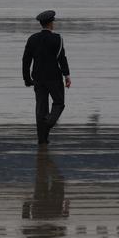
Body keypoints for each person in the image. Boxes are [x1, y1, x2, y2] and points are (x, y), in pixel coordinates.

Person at [22, 10, 71, 145]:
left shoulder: (32, 39)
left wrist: (26, 79)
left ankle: (42, 140)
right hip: (54, 77)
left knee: (41, 108)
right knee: (59, 103)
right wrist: (67, 75)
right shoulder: (57, 39)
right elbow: (62, 58)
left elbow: (26, 60)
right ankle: (48, 123)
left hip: (38, 77)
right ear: (50, 23)